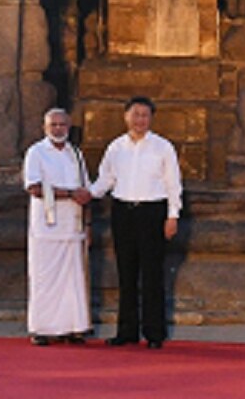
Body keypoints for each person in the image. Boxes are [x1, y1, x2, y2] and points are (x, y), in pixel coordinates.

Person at [90, 96, 182, 349]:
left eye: (145, 115)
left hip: (153, 212)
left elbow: (173, 184)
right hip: (123, 211)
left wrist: (172, 215)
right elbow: (105, 179)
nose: (140, 119)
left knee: (152, 274)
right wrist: (87, 194)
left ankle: (154, 333)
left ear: (151, 118)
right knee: (126, 272)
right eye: (136, 114)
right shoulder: (116, 147)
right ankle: (127, 331)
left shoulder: (163, 147)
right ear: (126, 116)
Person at [23, 108, 92, 347]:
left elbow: (86, 189)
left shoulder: (76, 154)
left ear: (69, 127)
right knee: (45, 278)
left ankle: (72, 328)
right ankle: (41, 328)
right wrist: (69, 194)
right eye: (53, 125)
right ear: (45, 127)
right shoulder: (37, 152)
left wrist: (88, 222)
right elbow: (34, 187)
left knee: (72, 279)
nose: (58, 129)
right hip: (47, 227)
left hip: (73, 226)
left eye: (62, 125)